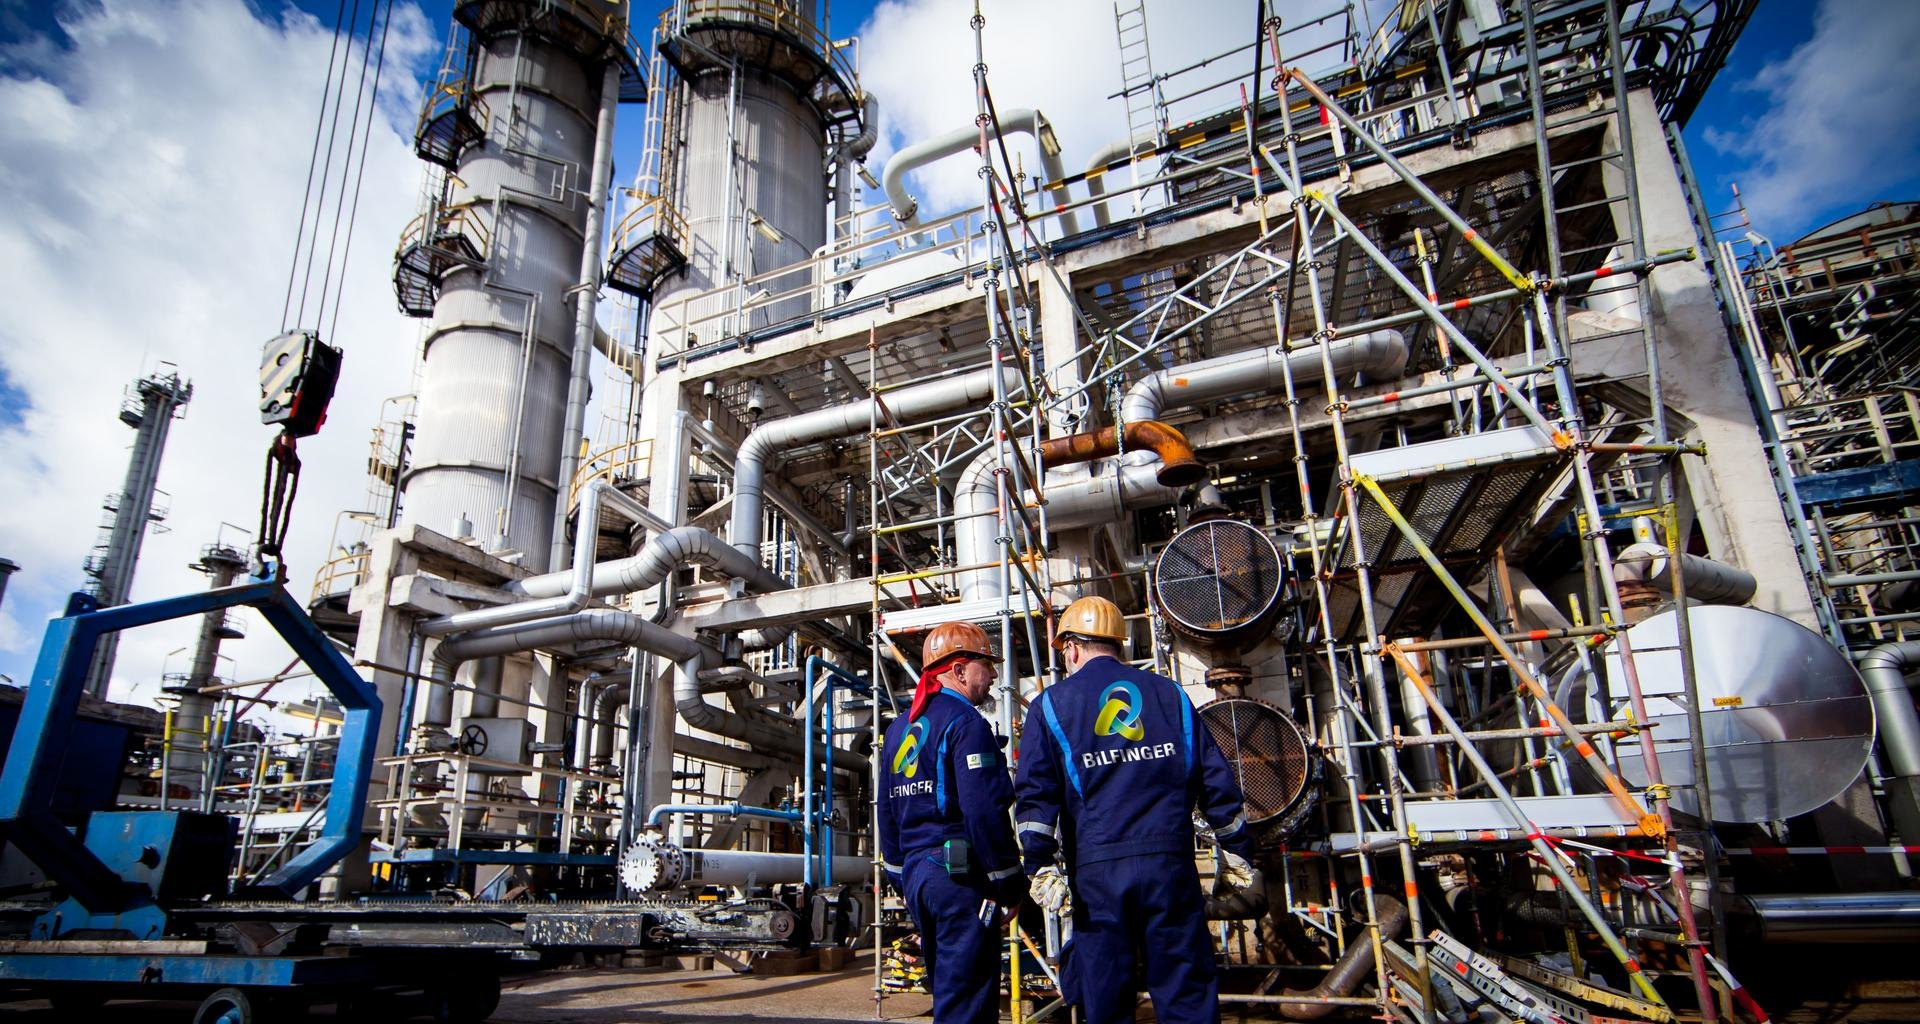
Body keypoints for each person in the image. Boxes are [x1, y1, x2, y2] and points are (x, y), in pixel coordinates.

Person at [1014, 595, 1249, 1024]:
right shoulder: (1170, 694)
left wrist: (1039, 864)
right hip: (1170, 867)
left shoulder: (1050, 705)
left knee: (1106, 997)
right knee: (1187, 995)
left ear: (1072, 648)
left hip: (1099, 876)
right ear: (1118, 644)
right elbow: (1214, 778)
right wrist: (1235, 849)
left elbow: (1036, 796)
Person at [878, 620, 1027, 1024]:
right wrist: (1010, 882)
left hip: (919, 876)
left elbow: (886, 812)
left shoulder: (898, 728)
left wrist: (902, 877)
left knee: (949, 990)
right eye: (986, 665)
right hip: (959, 877)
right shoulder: (967, 724)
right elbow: (983, 810)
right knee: (969, 1001)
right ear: (959, 670)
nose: (993, 675)